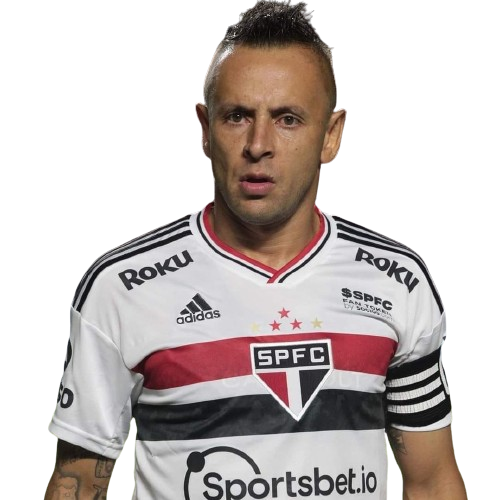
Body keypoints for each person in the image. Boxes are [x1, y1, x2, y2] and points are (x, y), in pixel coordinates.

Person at [45, 1, 467, 498]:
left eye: (288, 119)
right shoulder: (122, 288)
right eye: (237, 116)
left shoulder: (399, 281)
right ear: (205, 130)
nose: (258, 144)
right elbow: (78, 484)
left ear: (331, 136)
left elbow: (431, 481)